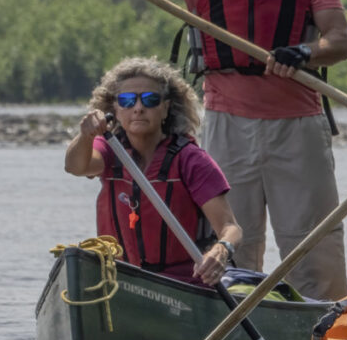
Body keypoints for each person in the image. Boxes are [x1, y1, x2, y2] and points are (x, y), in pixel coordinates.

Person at [1, 0, 347, 300]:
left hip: (298, 127)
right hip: (228, 125)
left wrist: (303, 52)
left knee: (314, 253)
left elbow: (338, 41)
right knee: (231, 255)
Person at [65, 56, 241, 287]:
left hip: (181, 283)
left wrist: (221, 249)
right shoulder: (109, 149)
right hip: (118, 277)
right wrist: (86, 135)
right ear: (115, 110)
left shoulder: (191, 160)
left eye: (150, 99)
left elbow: (231, 228)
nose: (138, 108)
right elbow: (75, 166)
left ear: (165, 108)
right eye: (127, 100)